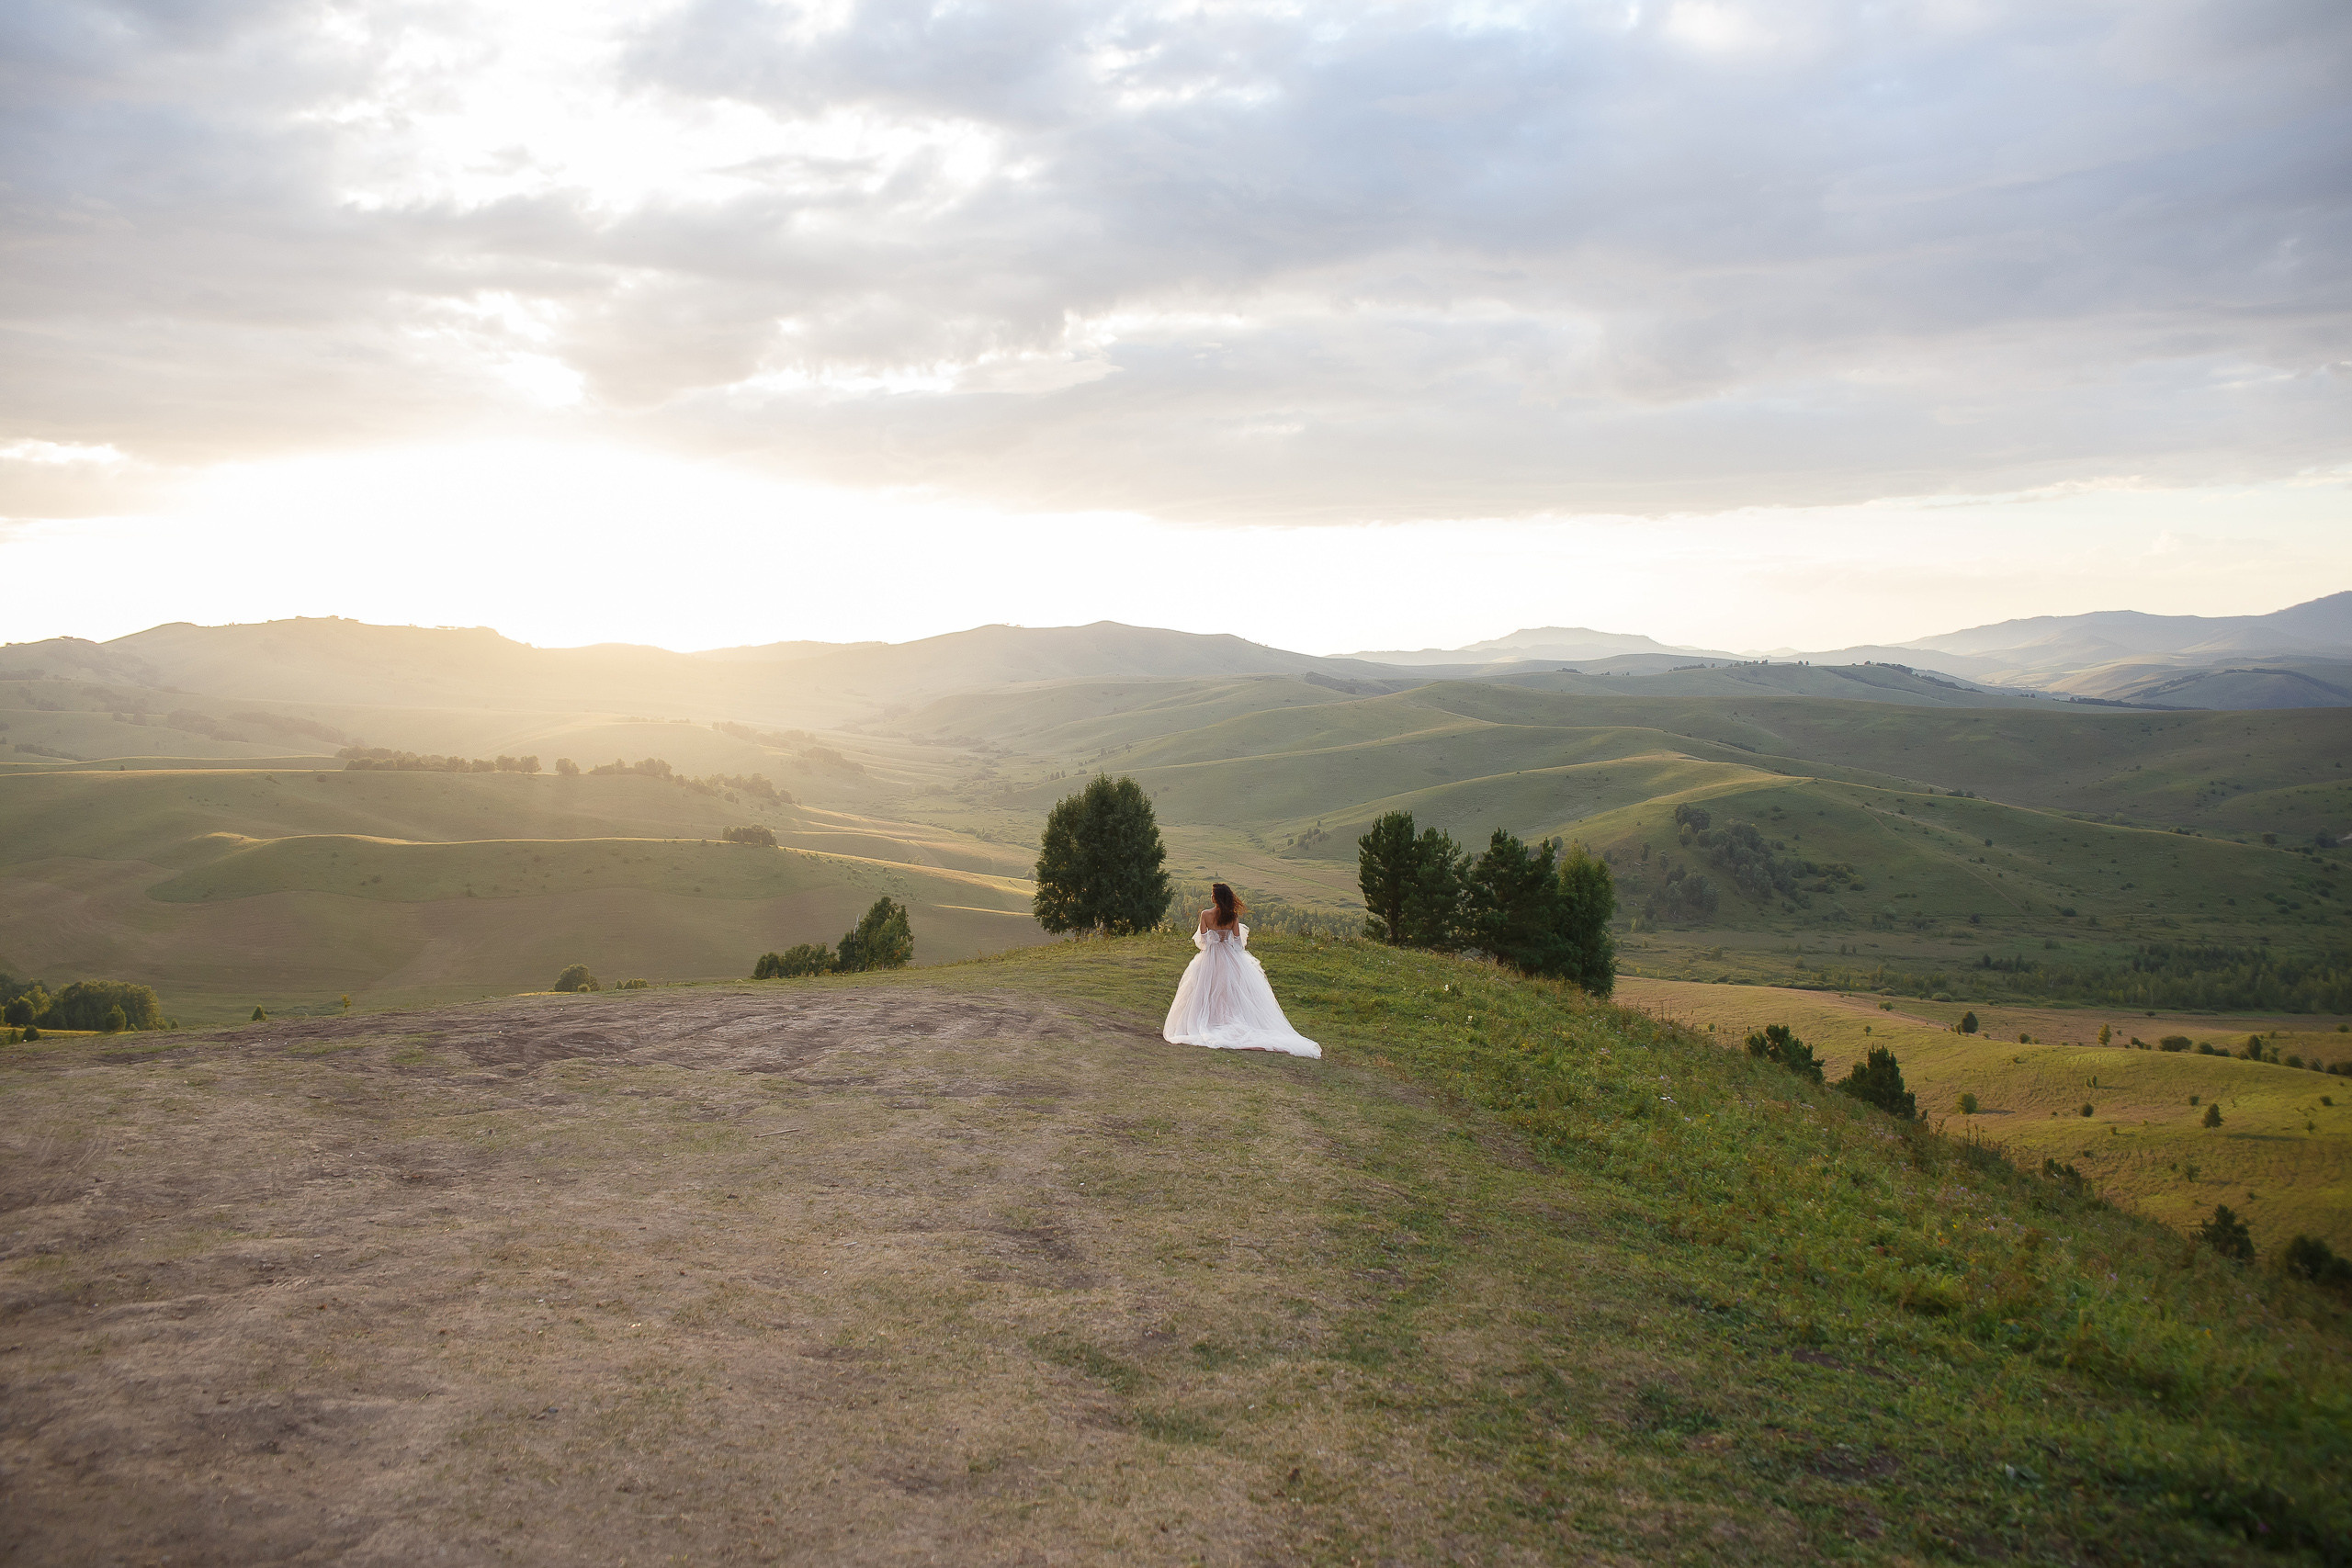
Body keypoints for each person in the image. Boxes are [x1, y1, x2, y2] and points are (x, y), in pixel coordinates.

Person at [1161, 883, 1321, 1058]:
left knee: (1206, 988)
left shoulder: (1205, 915)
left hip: (1211, 957)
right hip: (1229, 956)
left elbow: (1203, 942)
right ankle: (1227, 1020)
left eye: (1212, 894)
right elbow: (1238, 942)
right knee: (1229, 990)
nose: (1211, 896)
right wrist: (1229, 948)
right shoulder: (1232, 916)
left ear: (1216, 898)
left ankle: (1210, 1020)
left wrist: (1214, 943)